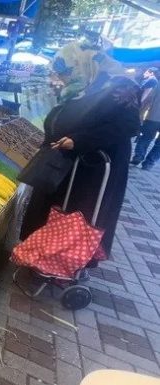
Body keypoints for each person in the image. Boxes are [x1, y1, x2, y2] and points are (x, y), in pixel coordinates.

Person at [20, 41, 141, 267]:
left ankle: (66, 262)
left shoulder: (120, 85)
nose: (63, 78)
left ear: (81, 63)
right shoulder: (81, 86)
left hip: (93, 171)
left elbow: (129, 125)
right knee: (50, 211)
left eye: (67, 72)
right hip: (65, 165)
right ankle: (40, 255)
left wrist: (80, 140)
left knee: (76, 216)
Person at [131, 82, 160, 170]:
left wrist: (141, 113)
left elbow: (149, 100)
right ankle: (149, 163)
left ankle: (138, 156)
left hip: (153, 117)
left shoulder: (158, 86)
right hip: (153, 117)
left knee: (146, 138)